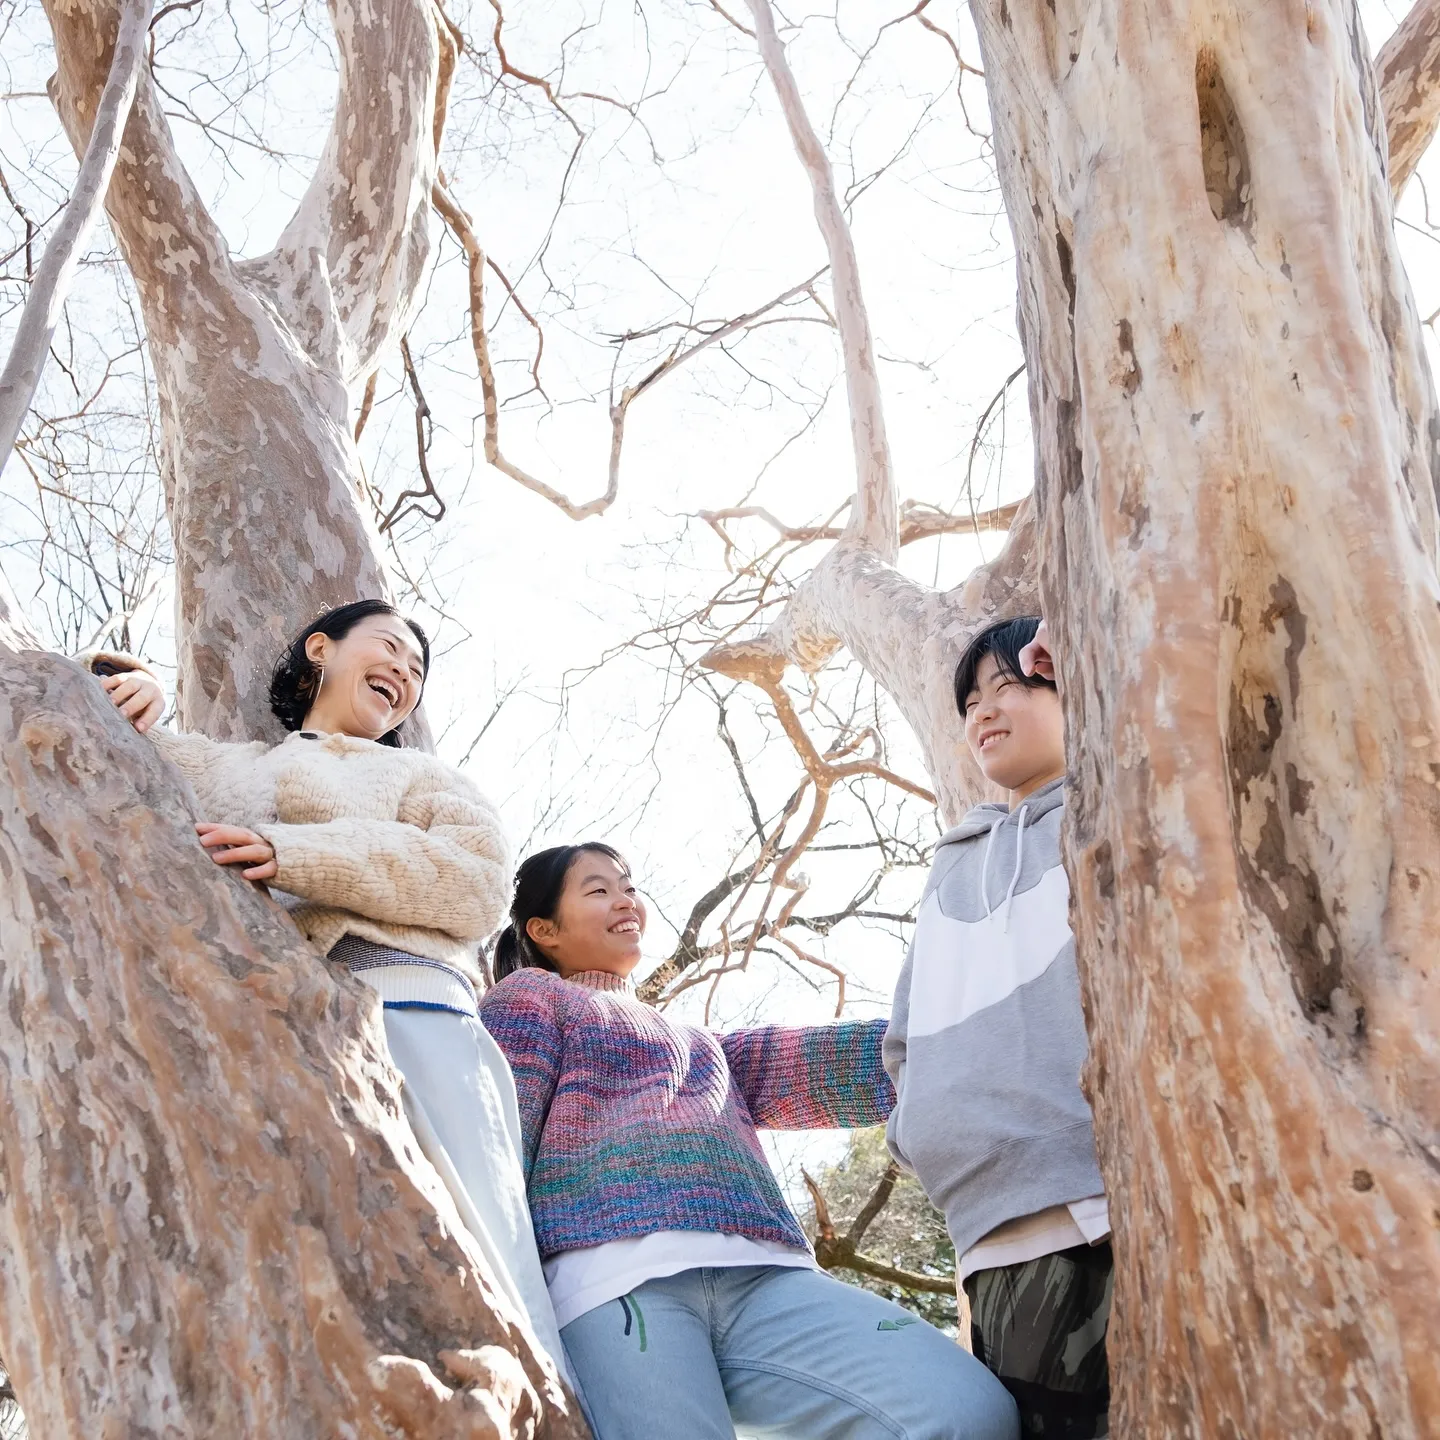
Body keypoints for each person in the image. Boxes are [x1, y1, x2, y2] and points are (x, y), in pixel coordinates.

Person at [86, 600, 566, 1368]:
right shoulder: (233, 769)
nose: (404, 676)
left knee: (485, 1264)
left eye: (416, 674)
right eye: (390, 650)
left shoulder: (423, 776)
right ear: (321, 648)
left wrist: (296, 855)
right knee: (331, 1278)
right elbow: (105, 743)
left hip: (421, 1017)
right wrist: (122, 682)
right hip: (283, 1044)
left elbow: (476, 884)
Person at [479, 842, 1020, 1440]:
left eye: (628, 885)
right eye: (598, 889)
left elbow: (814, 1064)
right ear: (543, 929)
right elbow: (496, 1147)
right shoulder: (527, 1000)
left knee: (967, 1412)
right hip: (614, 1288)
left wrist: (972, 1036)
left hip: (768, 1276)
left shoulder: (702, 1044)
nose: (625, 899)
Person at [884, 615, 1112, 1439]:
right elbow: (903, 1036)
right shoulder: (953, 860)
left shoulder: (1112, 800)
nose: (984, 709)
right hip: (990, 1229)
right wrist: (921, 1128)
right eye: (971, 699)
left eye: (1011, 685)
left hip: (1109, 1190)